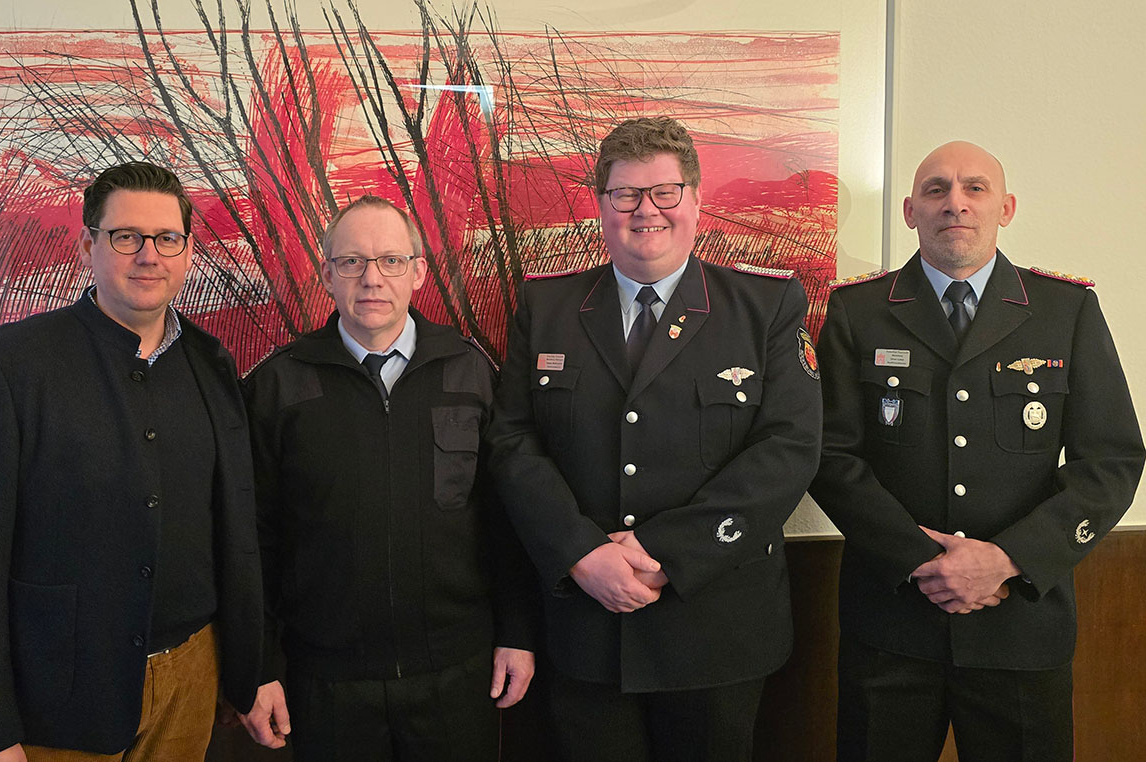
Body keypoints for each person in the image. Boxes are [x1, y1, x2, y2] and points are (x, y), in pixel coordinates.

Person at [485, 116, 822, 761]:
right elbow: (514, 442)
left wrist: (664, 551)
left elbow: (789, 448)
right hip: (586, 624)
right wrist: (580, 552)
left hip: (715, 628)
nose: (646, 211)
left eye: (665, 192)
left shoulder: (764, 306)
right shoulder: (546, 307)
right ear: (601, 204)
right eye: (626, 194)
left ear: (695, 199)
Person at [810, 141, 1145, 761]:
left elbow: (1111, 461)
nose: (955, 203)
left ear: (1006, 208)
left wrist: (1008, 559)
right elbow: (831, 456)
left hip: (1020, 624)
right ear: (910, 211)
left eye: (975, 188)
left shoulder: (1064, 310)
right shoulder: (858, 310)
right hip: (892, 623)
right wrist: (921, 560)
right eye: (936, 189)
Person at [0, 162, 263, 762]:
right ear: (88, 245)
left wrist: (249, 666)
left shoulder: (212, 363)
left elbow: (236, 528)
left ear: (187, 251)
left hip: (193, 678)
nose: (149, 256)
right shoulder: (10, 366)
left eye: (167, 238)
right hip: (56, 697)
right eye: (126, 237)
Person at [239, 195, 537, 761]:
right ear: (327, 274)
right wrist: (260, 665)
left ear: (418, 271)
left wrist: (518, 632)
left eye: (391, 261)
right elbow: (255, 538)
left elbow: (507, 518)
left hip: (458, 670)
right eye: (352, 261)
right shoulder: (278, 385)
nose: (372, 278)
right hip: (326, 680)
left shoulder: (470, 371)